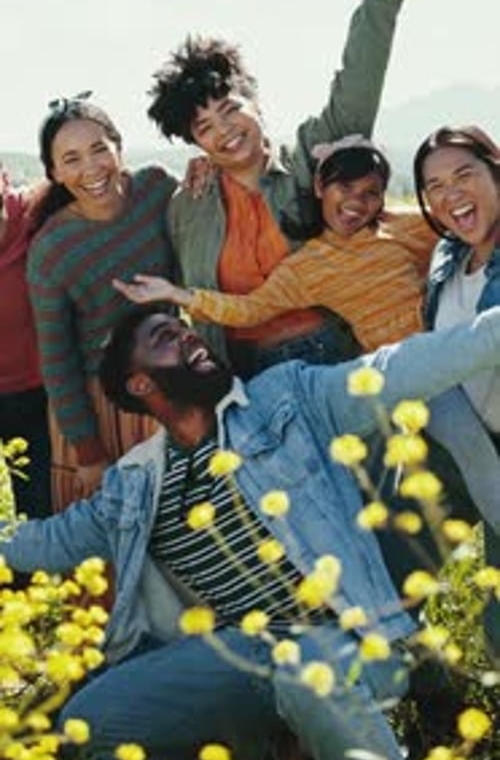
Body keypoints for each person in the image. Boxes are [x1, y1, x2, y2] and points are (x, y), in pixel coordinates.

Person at [4, 306, 500, 760]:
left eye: (182, 327)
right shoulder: (135, 486)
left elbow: (403, 365)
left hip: (348, 639)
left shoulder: (287, 397)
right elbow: (45, 543)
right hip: (243, 652)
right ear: (139, 384)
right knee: (86, 721)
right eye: (164, 337)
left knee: (305, 671)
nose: (186, 335)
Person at [147, 0, 414, 378]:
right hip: (239, 368)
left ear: (255, 100)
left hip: (331, 354)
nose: (224, 131)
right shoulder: (190, 205)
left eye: (230, 108)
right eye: (204, 127)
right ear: (195, 142)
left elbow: (358, 76)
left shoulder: (312, 157)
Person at [114, 136, 436, 356]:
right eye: (346, 186)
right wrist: (176, 294)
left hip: (444, 343)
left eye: (371, 192)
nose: (357, 201)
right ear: (320, 187)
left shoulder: (404, 226)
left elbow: (464, 229)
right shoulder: (309, 266)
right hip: (394, 371)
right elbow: (250, 310)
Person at [27, 95, 178, 511]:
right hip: (97, 409)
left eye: (99, 149)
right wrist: (89, 453)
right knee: (113, 545)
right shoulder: (51, 250)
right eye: (71, 159)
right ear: (55, 173)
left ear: (118, 147)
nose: (91, 168)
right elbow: (57, 361)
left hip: (171, 384)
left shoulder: (157, 190)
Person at [413, 124, 500, 656]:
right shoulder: (445, 258)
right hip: (469, 447)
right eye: (435, 186)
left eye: (464, 175)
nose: (451, 195)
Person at [0, 166, 51, 519]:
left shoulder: (37, 212)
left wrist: (203, 169)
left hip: (36, 396)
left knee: (38, 509)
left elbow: (107, 187)